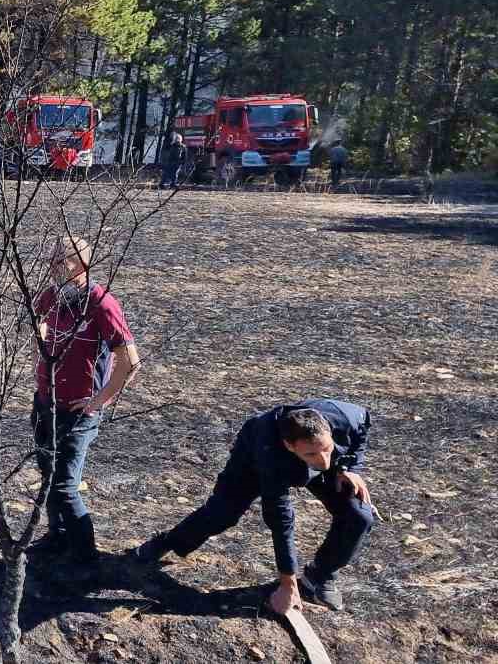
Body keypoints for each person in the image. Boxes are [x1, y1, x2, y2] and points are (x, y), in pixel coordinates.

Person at [132, 400, 374, 613]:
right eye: (312, 454)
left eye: (327, 448)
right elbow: (280, 519)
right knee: (221, 514)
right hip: (252, 460)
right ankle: (167, 542)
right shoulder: (270, 451)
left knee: (359, 515)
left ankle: (319, 578)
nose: (323, 461)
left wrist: (349, 468)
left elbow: (362, 428)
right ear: (290, 445)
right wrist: (287, 585)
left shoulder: (346, 417)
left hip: (317, 458)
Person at [31, 236, 143, 562]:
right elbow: (39, 326)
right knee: (49, 477)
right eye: (49, 260)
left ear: (80, 264)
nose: (51, 267)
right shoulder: (50, 297)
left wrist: (98, 401)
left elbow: (130, 362)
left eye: (58, 261)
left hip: (77, 413)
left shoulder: (101, 303)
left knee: (66, 486)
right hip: (44, 404)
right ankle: (57, 536)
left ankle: (85, 557)